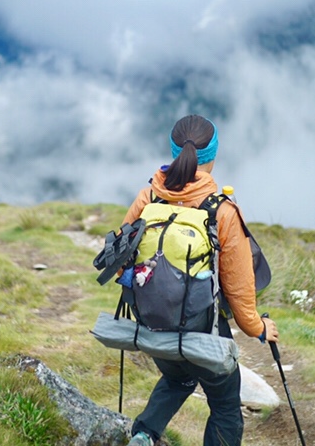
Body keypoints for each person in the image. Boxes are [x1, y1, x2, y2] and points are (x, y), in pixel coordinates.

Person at [123, 114, 280, 446]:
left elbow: (123, 257)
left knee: (178, 378)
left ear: (173, 151)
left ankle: (143, 435)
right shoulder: (221, 210)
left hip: (152, 322)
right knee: (224, 404)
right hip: (202, 328)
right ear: (213, 154)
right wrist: (259, 328)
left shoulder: (148, 198)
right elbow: (238, 289)